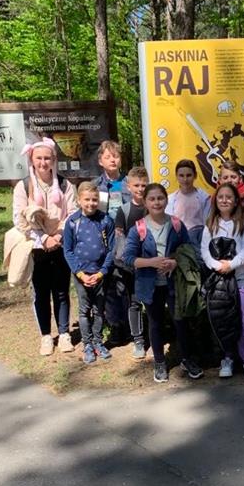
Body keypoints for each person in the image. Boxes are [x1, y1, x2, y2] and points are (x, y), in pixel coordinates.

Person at [123, 183, 203, 383]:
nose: (156, 202)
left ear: (166, 200)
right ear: (145, 202)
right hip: (149, 285)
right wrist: (151, 262)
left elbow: (189, 250)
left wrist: (175, 262)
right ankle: (159, 362)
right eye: (152, 199)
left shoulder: (176, 224)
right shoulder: (138, 228)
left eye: (160, 198)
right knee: (155, 323)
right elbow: (128, 258)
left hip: (174, 283)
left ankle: (186, 359)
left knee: (180, 321)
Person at [12, 137, 77, 356]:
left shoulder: (65, 185)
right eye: (38, 158)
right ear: (32, 159)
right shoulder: (23, 186)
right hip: (36, 248)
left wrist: (57, 236)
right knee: (41, 293)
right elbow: (19, 219)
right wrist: (42, 238)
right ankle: (46, 336)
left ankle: (64, 333)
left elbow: (72, 214)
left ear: (54, 159)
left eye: (47, 158)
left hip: (60, 245)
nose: (43, 163)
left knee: (61, 291)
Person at [201, 182, 244, 381]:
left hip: (240, 278)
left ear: (236, 201)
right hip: (218, 280)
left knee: (243, 318)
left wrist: (232, 265)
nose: (224, 200)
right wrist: (218, 266)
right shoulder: (211, 224)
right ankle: (227, 357)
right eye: (221, 197)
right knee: (223, 320)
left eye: (229, 197)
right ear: (215, 201)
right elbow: (205, 251)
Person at [63, 182, 115, 364]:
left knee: (99, 310)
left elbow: (111, 250)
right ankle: (87, 344)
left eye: (94, 200)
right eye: (87, 199)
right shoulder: (72, 222)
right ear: (79, 200)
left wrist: (101, 272)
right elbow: (68, 251)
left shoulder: (106, 220)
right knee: (84, 310)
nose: (91, 203)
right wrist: (80, 274)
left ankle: (98, 342)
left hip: (100, 274)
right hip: (81, 275)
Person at [94, 140, 132, 344]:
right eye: (108, 157)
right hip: (104, 241)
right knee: (109, 285)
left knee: (125, 284)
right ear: (100, 161)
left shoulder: (130, 183)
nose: (112, 160)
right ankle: (115, 325)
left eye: (115, 156)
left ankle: (131, 325)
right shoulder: (95, 185)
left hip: (126, 240)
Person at [114, 166, 150, 360]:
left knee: (151, 303)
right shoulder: (124, 210)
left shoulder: (152, 206)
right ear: (128, 186)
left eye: (143, 185)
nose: (140, 189)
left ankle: (154, 337)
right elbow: (120, 239)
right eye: (136, 185)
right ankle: (138, 340)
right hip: (132, 265)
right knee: (134, 303)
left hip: (151, 263)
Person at [166, 159, 211, 258]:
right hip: (179, 242)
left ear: (195, 176)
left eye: (189, 175)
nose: (185, 179)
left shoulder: (204, 198)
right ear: (177, 176)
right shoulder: (170, 200)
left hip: (199, 242)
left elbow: (208, 223)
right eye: (181, 176)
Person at [218, 160, 244, 225]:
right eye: (225, 178)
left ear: (240, 179)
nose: (229, 180)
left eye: (233, 177)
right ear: (220, 180)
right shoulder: (216, 199)